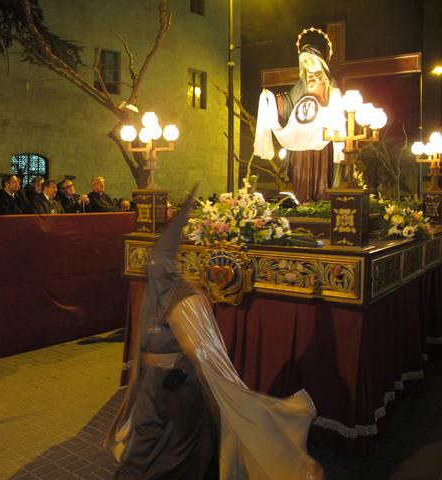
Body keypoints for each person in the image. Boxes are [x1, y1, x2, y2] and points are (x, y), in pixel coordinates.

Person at [106, 186, 324, 480]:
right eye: (152, 265)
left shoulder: (185, 297)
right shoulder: (151, 295)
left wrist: (179, 370)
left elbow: (200, 348)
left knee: (178, 450)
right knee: (146, 445)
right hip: (152, 389)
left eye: (159, 265)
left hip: (178, 390)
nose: (154, 270)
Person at [254, 32, 344, 202]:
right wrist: (272, 100)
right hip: (301, 136)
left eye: (309, 59)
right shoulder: (301, 85)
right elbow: (289, 104)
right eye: (304, 61)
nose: (307, 64)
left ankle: (321, 199)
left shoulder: (328, 83)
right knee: (302, 169)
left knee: (320, 170)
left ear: (319, 60)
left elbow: (335, 104)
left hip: (320, 136)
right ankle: (303, 199)